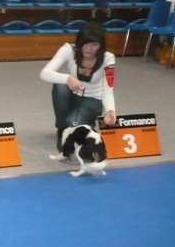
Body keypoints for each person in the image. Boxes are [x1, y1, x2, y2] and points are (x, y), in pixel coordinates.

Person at [39, 21, 117, 152]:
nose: (88, 49)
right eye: (85, 43)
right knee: (60, 85)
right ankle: (62, 129)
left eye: (94, 45)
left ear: (101, 45)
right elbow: (44, 73)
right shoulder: (68, 49)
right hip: (72, 95)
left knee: (73, 123)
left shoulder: (108, 58)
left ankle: (85, 123)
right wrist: (67, 78)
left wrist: (110, 110)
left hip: (93, 100)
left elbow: (108, 90)